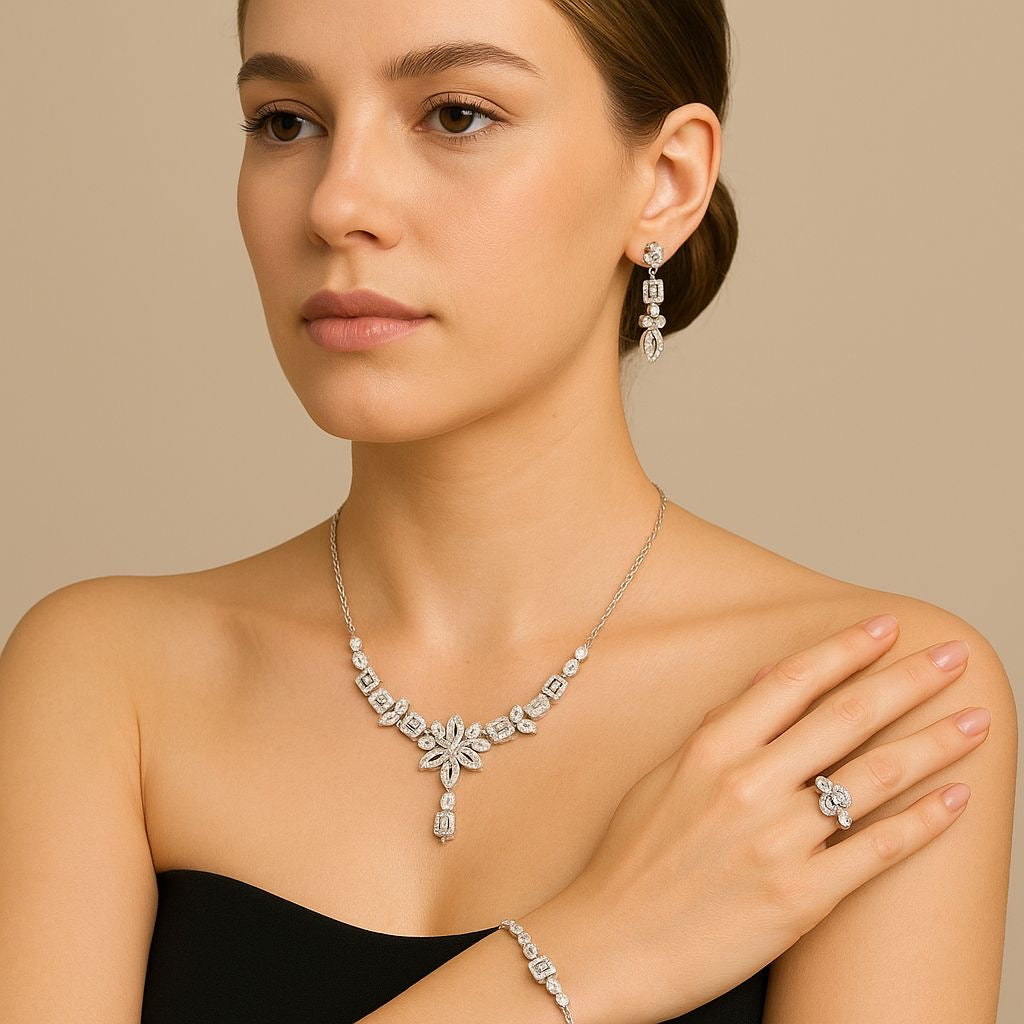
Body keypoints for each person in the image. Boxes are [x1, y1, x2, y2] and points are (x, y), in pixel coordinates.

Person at [0, 1, 1016, 1022]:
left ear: (666, 182)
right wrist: (592, 950)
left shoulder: (867, 709)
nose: (336, 203)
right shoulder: (103, 681)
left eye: (455, 115)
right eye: (285, 122)